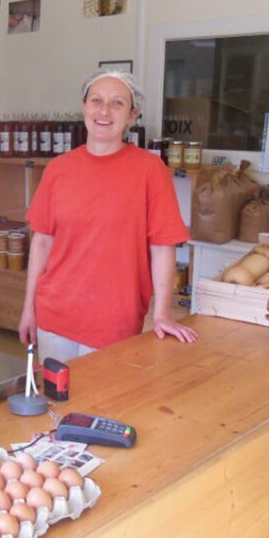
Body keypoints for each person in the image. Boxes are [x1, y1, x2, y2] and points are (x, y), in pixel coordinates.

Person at [17, 70, 197, 363]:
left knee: (103, 408)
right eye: (96, 100)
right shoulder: (59, 169)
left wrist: (162, 313)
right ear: (84, 107)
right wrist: (29, 308)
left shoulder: (150, 170)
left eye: (117, 103)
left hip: (114, 321)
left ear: (132, 115)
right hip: (55, 315)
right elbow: (41, 243)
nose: (104, 110)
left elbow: (162, 246)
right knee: (56, 406)